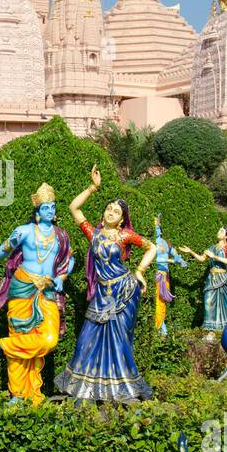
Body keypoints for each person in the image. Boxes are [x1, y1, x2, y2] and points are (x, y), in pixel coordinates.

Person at [54, 165, 157, 402]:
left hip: (124, 291)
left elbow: (152, 247)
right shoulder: (94, 234)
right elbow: (73, 208)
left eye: (117, 211)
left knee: (119, 340)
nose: (111, 212)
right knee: (87, 339)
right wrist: (93, 188)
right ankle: (86, 388)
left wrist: (140, 271)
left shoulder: (125, 236)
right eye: (109, 208)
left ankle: (122, 390)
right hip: (102, 293)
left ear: (122, 220)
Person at [0, 183, 74, 406]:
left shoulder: (61, 235)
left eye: (53, 206)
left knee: (49, 340)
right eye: (46, 207)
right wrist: (10, 243)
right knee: (20, 340)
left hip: (47, 289)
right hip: (22, 286)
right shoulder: (25, 231)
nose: (51, 210)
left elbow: (69, 260)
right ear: (37, 212)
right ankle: (19, 395)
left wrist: (62, 278)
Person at [180, 226, 227, 335]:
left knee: (224, 304)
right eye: (218, 229)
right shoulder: (212, 247)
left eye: (221, 231)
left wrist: (214, 257)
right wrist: (191, 251)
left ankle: (222, 330)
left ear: (226, 236)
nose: (218, 232)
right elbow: (202, 259)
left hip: (223, 278)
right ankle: (211, 329)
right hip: (211, 278)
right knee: (208, 302)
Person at [153, 214, 186, 337]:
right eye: (153, 227)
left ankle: (161, 325)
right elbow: (151, 260)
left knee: (162, 301)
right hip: (154, 275)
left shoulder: (166, 243)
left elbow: (175, 254)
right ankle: (158, 326)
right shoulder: (149, 243)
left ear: (160, 230)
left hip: (164, 276)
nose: (155, 229)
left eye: (157, 227)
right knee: (156, 301)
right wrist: (170, 261)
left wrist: (180, 259)